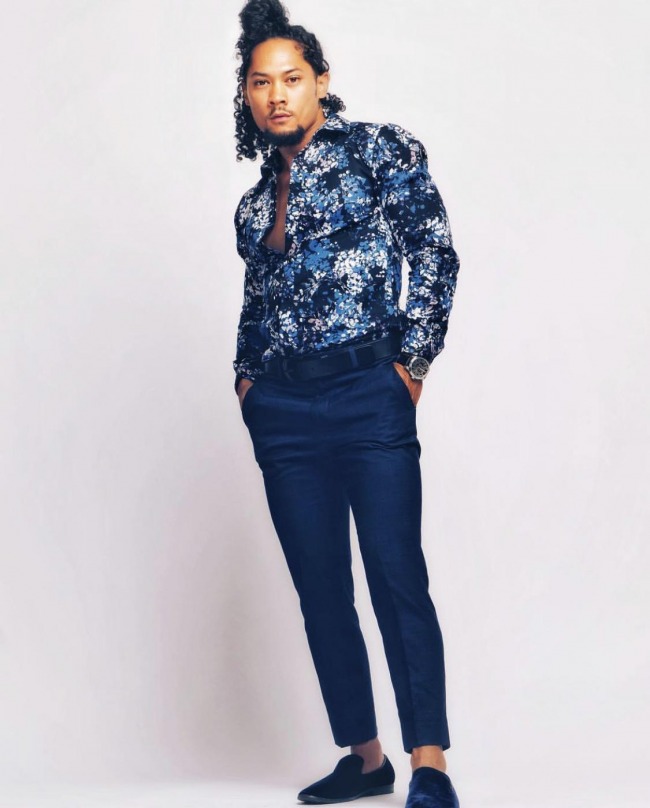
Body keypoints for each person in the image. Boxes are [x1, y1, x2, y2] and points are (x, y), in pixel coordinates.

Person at [232, 2, 461, 806]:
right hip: (284, 412)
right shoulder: (254, 204)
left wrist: (412, 364)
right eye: (261, 82)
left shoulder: (379, 149)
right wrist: (248, 382)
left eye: (291, 78)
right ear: (247, 96)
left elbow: (433, 249)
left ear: (320, 82)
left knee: (397, 575)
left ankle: (428, 763)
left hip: (369, 394)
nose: (276, 95)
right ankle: (366, 759)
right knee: (320, 587)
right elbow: (258, 303)